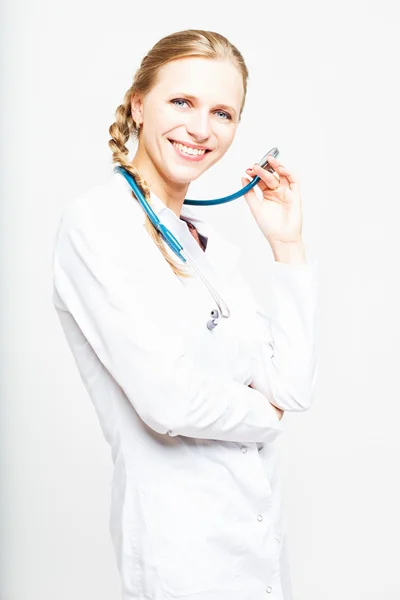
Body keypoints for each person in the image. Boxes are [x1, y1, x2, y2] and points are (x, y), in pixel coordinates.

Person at [52, 29, 319, 600]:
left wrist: (287, 249)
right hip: (184, 563)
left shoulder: (206, 247)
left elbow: (292, 388)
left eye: (222, 112)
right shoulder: (99, 223)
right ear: (138, 104)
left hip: (260, 555)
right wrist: (263, 414)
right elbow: (167, 401)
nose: (202, 129)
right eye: (182, 102)